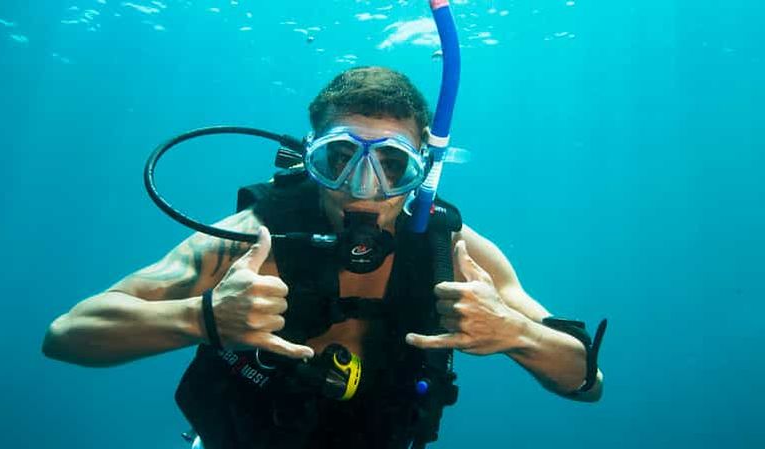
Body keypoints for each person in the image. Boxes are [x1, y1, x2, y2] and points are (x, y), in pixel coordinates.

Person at [43, 66, 604, 448]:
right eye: (339, 157)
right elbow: (67, 334)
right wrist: (202, 317)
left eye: (391, 163)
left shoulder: (454, 254)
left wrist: (517, 334)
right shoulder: (248, 242)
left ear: (422, 174)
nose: (363, 187)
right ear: (310, 158)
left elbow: (587, 382)